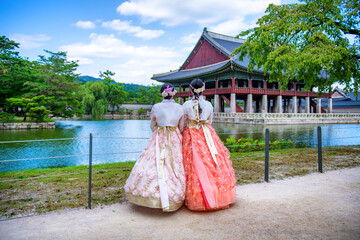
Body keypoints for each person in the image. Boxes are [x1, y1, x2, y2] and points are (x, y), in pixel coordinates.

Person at [124, 84, 185, 212]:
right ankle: (172, 195)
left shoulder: (156, 107)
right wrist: (173, 132)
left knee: (153, 160)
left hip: (159, 136)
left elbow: (152, 125)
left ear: (161, 93)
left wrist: (160, 131)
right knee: (173, 164)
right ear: (173, 94)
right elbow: (181, 127)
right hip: (173, 137)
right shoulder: (179, 108)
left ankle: (147, 193)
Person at [182, 78, 236, 211]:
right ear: (203, 89)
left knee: (192, 163)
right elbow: (209, 121)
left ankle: (194, 195)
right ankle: (217, 193)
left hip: (191, 132)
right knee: (211, 160)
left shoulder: (186, 105)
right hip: (206, 132)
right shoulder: (208, 105)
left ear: (190, 89)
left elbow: (183, 122)